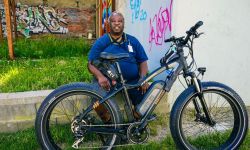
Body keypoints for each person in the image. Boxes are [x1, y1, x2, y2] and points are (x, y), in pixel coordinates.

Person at [88, 11, 149, 119]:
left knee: (146, 98)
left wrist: (143, 78)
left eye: (120, 21)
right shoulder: (102, 41)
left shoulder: (133, 41)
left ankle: (136, 122)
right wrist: (100, 77)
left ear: (123, 23)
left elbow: (143, 61)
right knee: (96, 100)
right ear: (109, 24)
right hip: (108, 79)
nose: (117, 24)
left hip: (131, 81)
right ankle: (110, 124)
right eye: (113, 21)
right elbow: (90, 64)